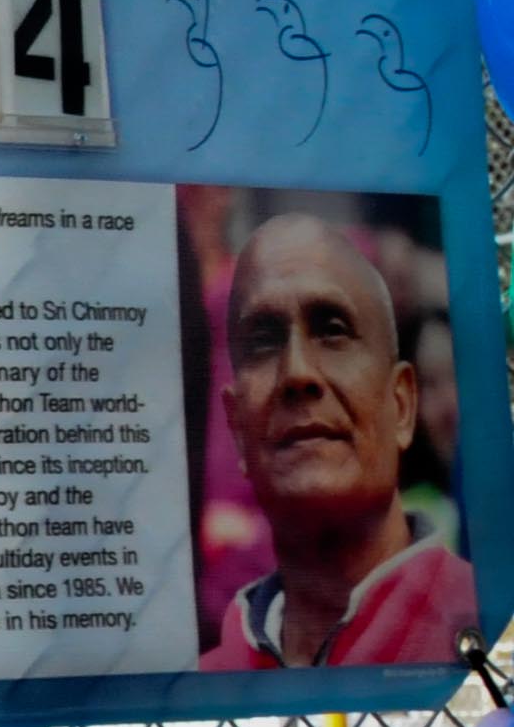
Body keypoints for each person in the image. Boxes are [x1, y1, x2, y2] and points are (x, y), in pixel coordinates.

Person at [204, 209, 477, 668]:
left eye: (332, 331)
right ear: (237, 431)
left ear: (402, 406)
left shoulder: (495, 633)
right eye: (264, 340)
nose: (297, 372)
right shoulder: (205, 680)